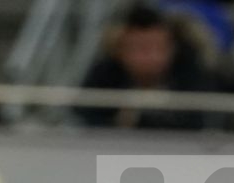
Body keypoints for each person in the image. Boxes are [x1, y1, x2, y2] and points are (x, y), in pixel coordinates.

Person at [77, 5, 213, 132]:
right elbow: (86, 115)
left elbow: (198, 121)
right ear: (119, 50)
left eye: (158, 48)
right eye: (140, 49)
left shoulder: (191, 75)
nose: (150, 57)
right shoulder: (104, 75)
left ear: (173, 48)